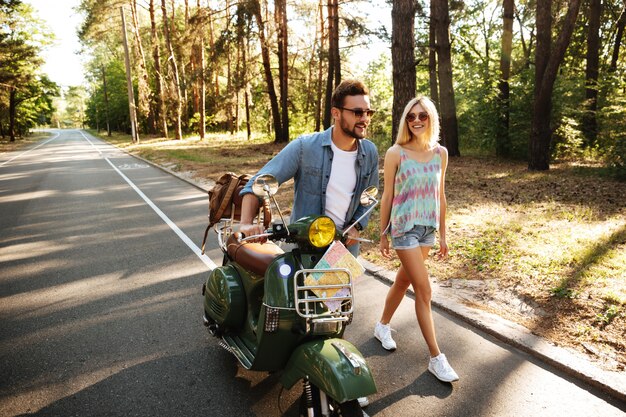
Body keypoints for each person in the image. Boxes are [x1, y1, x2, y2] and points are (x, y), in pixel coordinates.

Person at [238, 79, 379, 257]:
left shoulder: (370, 152)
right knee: (300, 286)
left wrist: (356, 226)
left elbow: (370, 195)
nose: (365, 119)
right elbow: (258, 183)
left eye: (368, 112)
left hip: (343, 250)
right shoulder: (305, 147)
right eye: (358, 112)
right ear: (336, 113)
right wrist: (246, 223)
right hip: (306, 250)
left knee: (340, 286)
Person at [374, 96, 459, 383]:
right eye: (411, 117)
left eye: (422, 115)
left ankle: (382, 325)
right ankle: (436, 357)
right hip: (404, 228)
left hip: (427, 230)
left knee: (403, 280)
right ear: (405, 121)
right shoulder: (396, 153)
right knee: (424, 290)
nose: (417, 120)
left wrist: (444, 235)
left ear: (431, 117)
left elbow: (441, 195)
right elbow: (387, 196)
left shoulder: (440, 153)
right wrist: (383, 233)